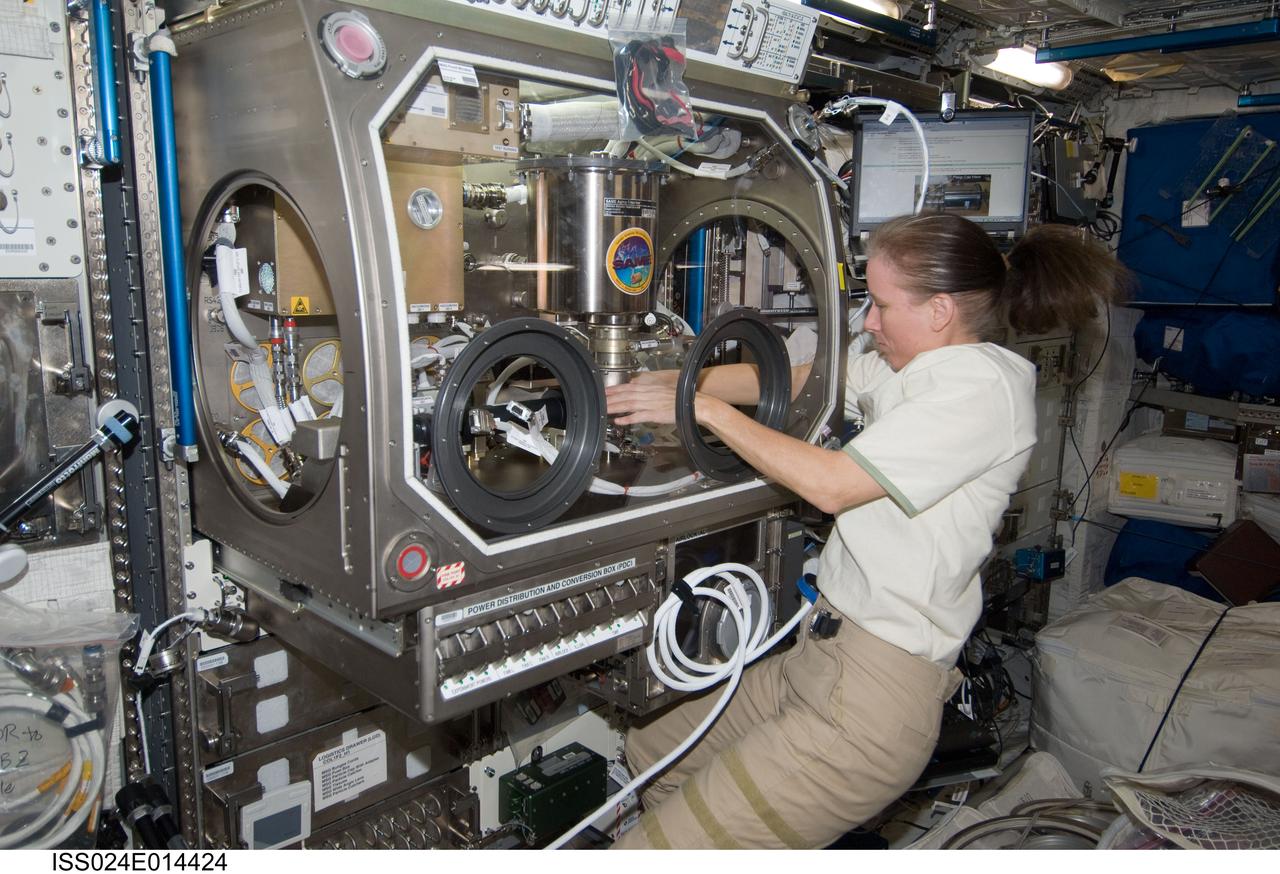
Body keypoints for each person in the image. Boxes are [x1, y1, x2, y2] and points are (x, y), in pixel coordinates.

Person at [603, 214, 1128, 849]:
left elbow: (832, 485)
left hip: (871, 700)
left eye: (881, 305)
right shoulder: (916, 368)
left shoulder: (981, 389)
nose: (869, 322)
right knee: (655, 750)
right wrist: (670, 382)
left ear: (939, 311)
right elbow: (803, 380)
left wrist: (700, 408)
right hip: (821, 657)